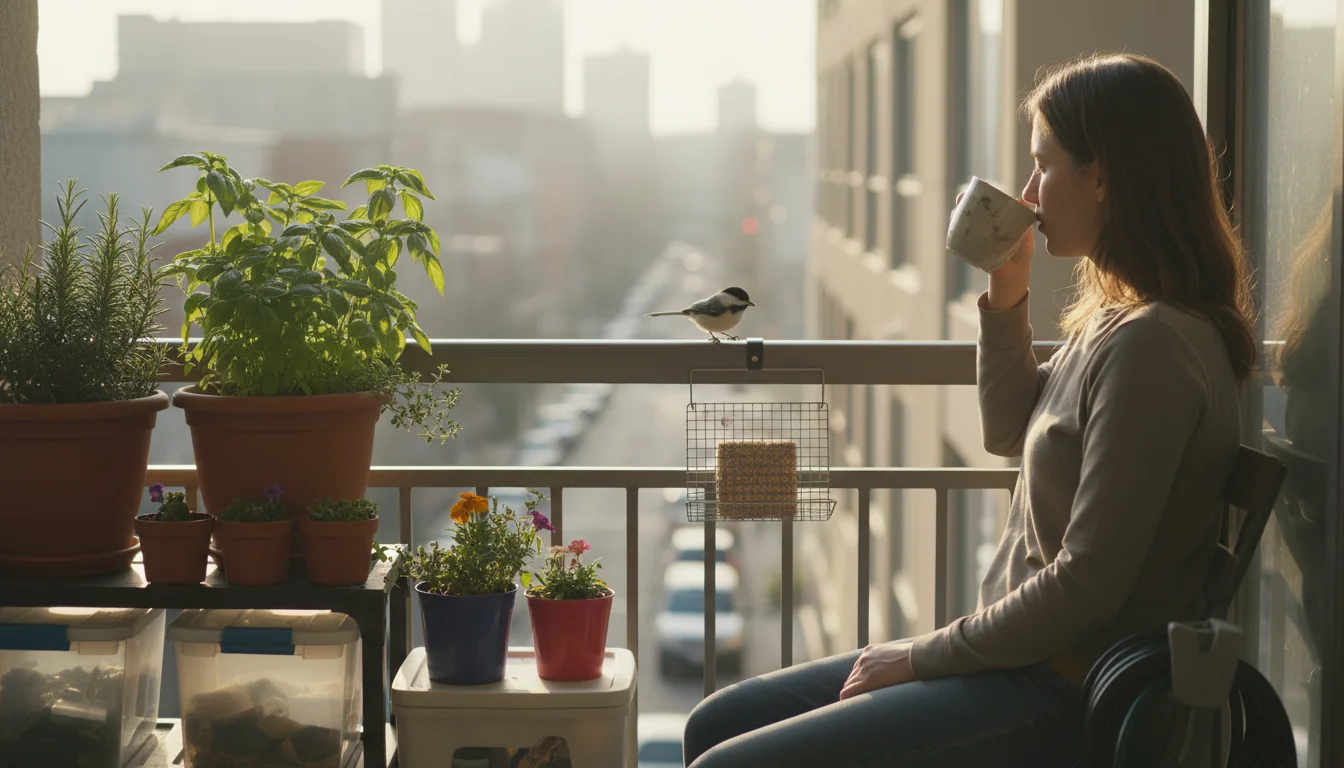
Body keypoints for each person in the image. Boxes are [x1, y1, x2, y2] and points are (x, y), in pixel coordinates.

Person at [682, 51, 1257, 768]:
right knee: (716, 721)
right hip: (1021, 664)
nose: (1029, 191)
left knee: (723, 761)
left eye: (1044, 163)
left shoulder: (1154, 348)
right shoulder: (1115, 322)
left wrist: (921, 656)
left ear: (1102, 177)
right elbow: (1009, 428)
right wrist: (1007, 292)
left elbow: (1087, 586)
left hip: (1061, 692)